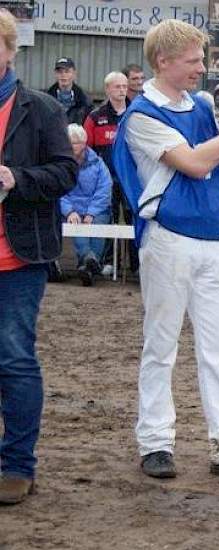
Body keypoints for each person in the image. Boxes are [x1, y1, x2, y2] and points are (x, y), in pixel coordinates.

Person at [112, 19, 219, 480]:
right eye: (192, 61)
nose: (201, 68)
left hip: (210, 238)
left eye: (201, 60)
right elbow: (193, 164)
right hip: (167, 238)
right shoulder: (142, 116)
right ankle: (155, 441)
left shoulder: (203, 107)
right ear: (162, 62)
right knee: (161, 344)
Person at [0, 8, 79, 505]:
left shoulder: (42, 110)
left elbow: (64, 174)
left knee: (13, 359)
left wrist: (16, 179)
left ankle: (17, 465)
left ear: (9, 51)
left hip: (17, 258)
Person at [84, 71, 135, 278]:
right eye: (117, 87)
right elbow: (86, 150)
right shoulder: (95, 117)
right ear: (107, 89)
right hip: (105, 181)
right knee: (106, 219)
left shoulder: (137, 113)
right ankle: (106, 262)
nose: (122, 90)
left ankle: (137, 265)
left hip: (131, 179)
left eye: (124, 86)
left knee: (134, 219)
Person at [61, 124, 112, 286]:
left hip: (97, 210)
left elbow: (105, 189)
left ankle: (87, 265)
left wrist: (91, 212)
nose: (72, 146)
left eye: (75, 143)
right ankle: (91, 262)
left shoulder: (98, 163)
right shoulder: (61, 164)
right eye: (69, 142)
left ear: (84, 143)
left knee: (98, 225)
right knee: (78, 225)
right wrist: (69, 211)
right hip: (73, 210)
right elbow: (59, 191)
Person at [46, 57, 92, 125]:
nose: (63, 75)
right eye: (60, 72)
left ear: (74, 74)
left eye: (67, 71)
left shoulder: (85, 102)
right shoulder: (46, 100)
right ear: (55, 74)